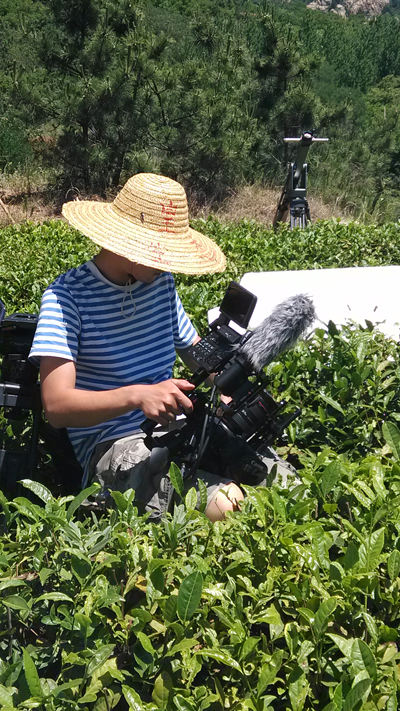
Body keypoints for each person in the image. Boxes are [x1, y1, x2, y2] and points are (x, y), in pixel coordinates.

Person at [29, 173, 246, 522]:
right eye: (162, 254)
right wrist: (138, 396)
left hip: (177, 430)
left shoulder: (161, 285)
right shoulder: (66, 297)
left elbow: (194, 352)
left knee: (272, 478)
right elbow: (56, 405)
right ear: (131, 248)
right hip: (113, 449)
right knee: (228, 504)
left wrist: (226, 388)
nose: (168, 264)